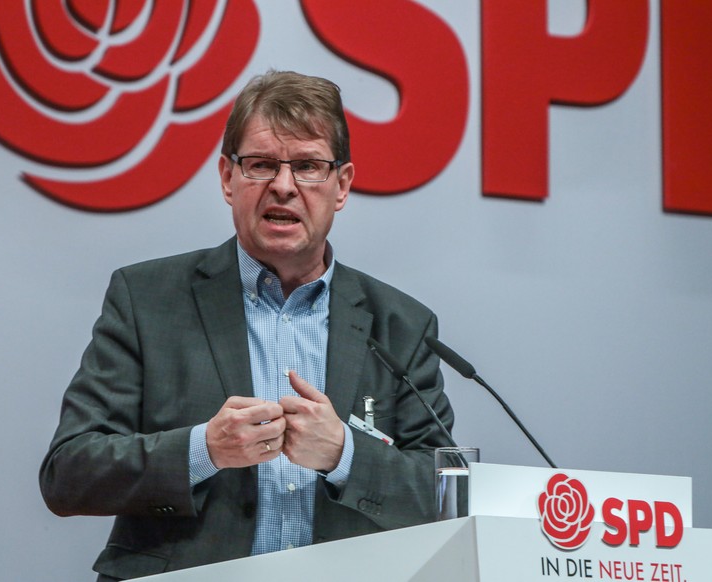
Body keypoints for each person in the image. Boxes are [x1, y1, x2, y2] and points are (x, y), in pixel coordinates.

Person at [39, 70, 455, 581]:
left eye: (307, 166)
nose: (283, 187)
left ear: (341, 186)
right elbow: (69, 474)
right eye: (261, 165)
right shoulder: (146, 300)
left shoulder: (401, 326)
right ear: (227, 178)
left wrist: (345, 455)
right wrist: (203, 450)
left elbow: (445, 494)